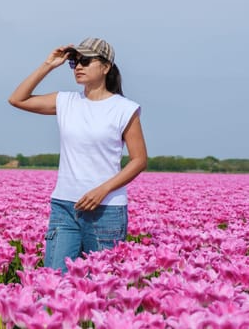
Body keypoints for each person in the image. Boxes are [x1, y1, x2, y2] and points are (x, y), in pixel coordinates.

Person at [8, 37, 148, 273]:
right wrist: (49, 65)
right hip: (64, 206)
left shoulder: (125, 108)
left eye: (85, 61)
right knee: (53, 284)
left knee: (102, 286)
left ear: (105, 67)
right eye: (74, 62)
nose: (78, 66)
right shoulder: (66, 101)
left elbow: (139, 160)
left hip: (106, 209)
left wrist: (102, 190)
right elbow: (17, 99)